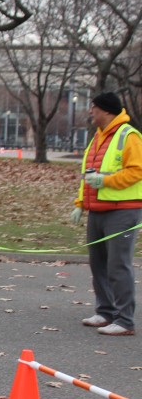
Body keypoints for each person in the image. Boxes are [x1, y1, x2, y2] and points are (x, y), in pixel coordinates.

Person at [71, 92, 142, 336]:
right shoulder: (97, 137)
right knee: (98, 263)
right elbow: (88, 175)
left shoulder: (129, 136)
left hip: (123, 210)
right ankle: (106, 312)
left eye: (94, 107)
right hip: (97, 209)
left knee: (117, 265)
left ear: (106, 110)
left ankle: (125, 321)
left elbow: (137, 171)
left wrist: (106, 181)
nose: (90, 111)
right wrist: (80, 203)